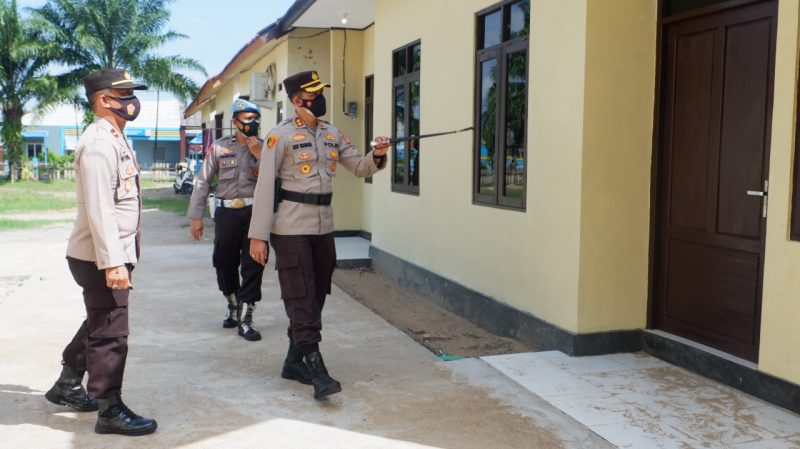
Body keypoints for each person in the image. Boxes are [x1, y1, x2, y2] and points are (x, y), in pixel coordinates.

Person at [248, 70, 391, 399]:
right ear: (298, 100)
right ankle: (316, 369)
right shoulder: (279, 136)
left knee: (315, 295)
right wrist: (258, 235)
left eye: (320, 92)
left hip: (324, 226)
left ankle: (293, 361)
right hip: (290, 226)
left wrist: (378, 154)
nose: (320, 98)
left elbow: (359, 166)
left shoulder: (331, 133)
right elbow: (265, 185)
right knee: (300, 295)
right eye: (314, 94)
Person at [45, 68, 157, 436]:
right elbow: (100, 209)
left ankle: (67, 383)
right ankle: (109, 410)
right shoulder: (98, 144)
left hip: (107, 253)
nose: (132, 101)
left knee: (101, 321)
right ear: (104, 100)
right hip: (99, 256)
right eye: (124, 95)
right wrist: (113, 263)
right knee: (111, 333)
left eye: (132, 94)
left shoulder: (115, 138)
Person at [187, 98, 265, 341]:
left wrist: (259, 155)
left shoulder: (266, 148)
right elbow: (203, 181)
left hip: (255, 214)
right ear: (235, 122)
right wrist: (196, 216)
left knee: (254, 264)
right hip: (226, 214)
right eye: (248, 118)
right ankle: (233, 304)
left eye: (256, 119)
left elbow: (274, 180)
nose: (253, 123)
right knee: (223, 261)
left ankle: (246, 317)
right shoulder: (219, 148)